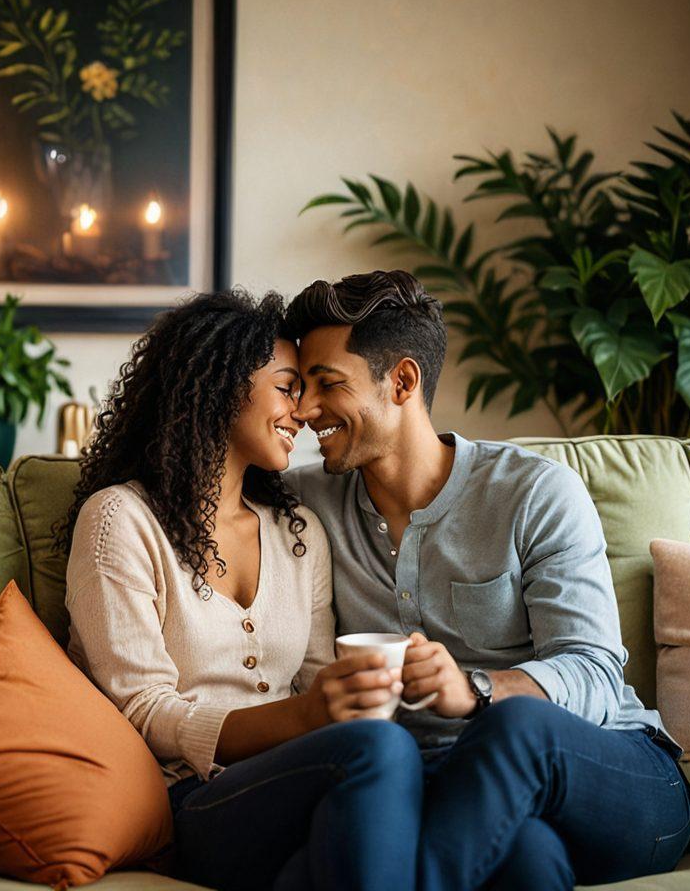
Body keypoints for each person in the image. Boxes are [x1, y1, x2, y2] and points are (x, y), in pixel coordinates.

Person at [284, 270, 690, 891]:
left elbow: (597, 672)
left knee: (517, 726)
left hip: (610, 775)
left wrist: (475, 690)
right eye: (301, 386)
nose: (306, 409)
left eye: (327, 384)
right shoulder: (302, 504)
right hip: (455, 796)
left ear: (402, 381)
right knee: (527, 858)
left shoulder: (533, 492)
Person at [56, 290, 424, 891]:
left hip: (295, 785)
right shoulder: (119, 520)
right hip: (187, 798)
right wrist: (305, 715)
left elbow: (312, 679)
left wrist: (347, 699)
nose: (304, 411)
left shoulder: (297, 533)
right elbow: (142, 709)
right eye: (287, 387)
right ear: (223, 387)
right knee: (378, 753)